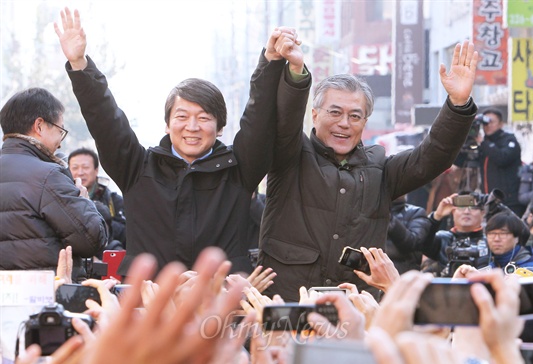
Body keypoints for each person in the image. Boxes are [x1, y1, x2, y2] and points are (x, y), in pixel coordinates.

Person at [55, 8, 311, 276]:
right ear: (167, 124)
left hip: (223, 300)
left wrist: (270, 61)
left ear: (220, 127)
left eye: (203, 117)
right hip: (149, 300)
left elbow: (259, 119)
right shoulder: (137, 168)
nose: (192, 127)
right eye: (182, 116)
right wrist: (80, 65)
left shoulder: (239, 170)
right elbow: (106, 120)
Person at [259, 40, 480, 301]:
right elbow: (284, 122)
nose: (344, 123)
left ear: (365, 122)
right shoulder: (290, 156)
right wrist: (295, 75)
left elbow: (431, 158)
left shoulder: (381, 168)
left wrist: (457, 103)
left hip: (357, 307)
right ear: (315, 115)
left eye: (355, 116)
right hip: (288, 303)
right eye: (335, 112)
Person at [0, 88, 108, 279]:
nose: (59, 143)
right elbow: (92, 240)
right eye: (60, 131)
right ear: (39, 126)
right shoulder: (48, 175)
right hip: (46, 296)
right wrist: (84, 202)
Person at [68, 148, 126, 250]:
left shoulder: (114, 201)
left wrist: (102, 217)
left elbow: (127, 234)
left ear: (96, 170)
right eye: (75, 168)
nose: (80, 172)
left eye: (85, 167)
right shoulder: (62, 198)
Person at [477, 107, 523, 216]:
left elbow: (502, 158)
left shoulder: (509, 140)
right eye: (485, 122)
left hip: (509, 201)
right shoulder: (484, 144)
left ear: (501, 124)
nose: (488, 125)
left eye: (491, 122)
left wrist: (484, 143)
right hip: (489, 200)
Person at [385, 195, 431, 274]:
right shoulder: (369, 213)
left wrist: (389, 218)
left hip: (402, 276)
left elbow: (413, 243)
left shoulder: (416, 212)